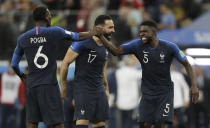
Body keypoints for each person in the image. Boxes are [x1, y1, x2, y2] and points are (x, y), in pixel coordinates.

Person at [11, 6, 104, 128]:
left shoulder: (23, 38)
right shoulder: (54, 32)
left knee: (32, 123)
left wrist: (22, 76)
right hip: (49, 85)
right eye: (49, 14)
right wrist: (94, 32)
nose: (50, 16)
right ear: (46, 17)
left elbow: (14, 64)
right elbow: (77, 36)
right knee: (57, 123)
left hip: (32, 86)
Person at [98, 20, 199, 128]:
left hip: (164, 93)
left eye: (145, 31)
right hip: (147, 93)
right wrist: (101, 37)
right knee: (145, 124)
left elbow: (187, 64)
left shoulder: (170, 47)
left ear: (154, 32)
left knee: (160, 123)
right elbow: (116, 51)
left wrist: (194, 85)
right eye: (140, 32)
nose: (141, 34)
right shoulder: (137, 45)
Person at [60, 15, 115, 128]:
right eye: (110, 27)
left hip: (99, 90)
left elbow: (102, 67)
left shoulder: (106, 45)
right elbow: (65, 63)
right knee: (82, 123)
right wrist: (63, 86)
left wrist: (106, 88)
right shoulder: (83, 41)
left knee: (100, 124)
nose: (113, 30)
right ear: (99, 28)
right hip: (83, 89)